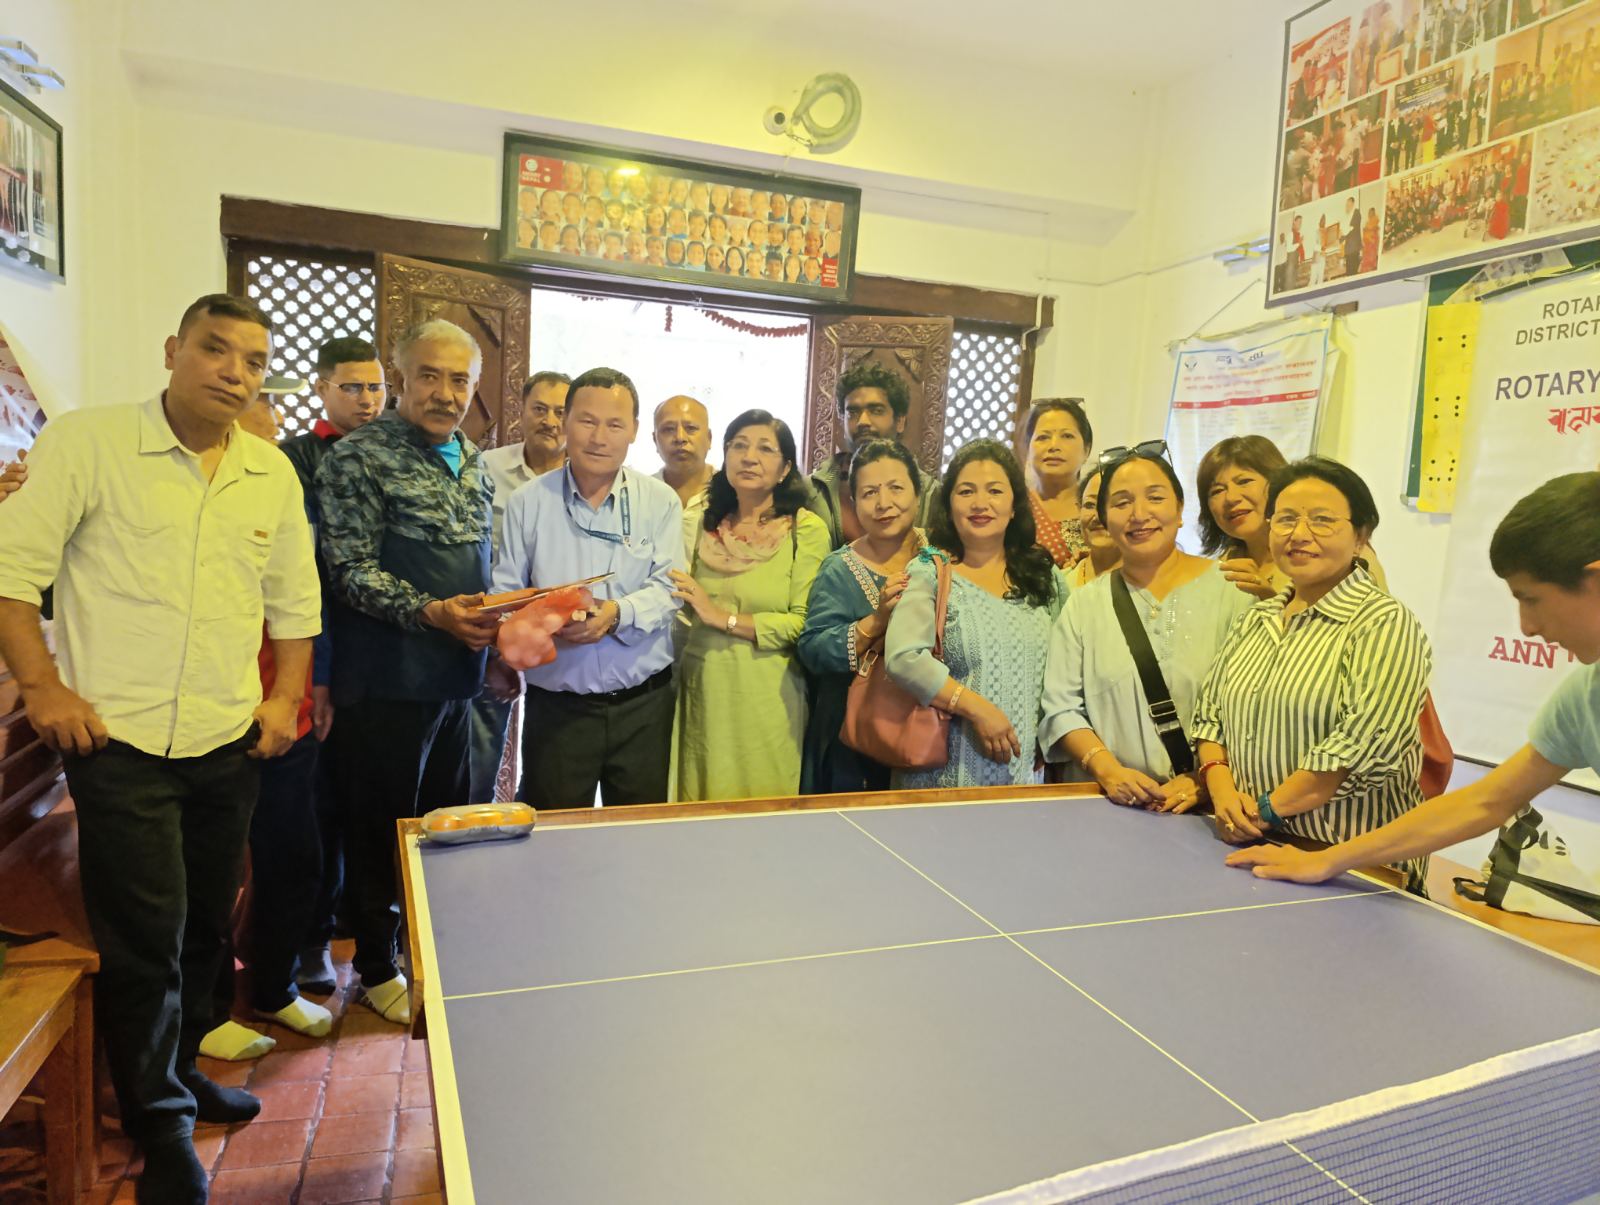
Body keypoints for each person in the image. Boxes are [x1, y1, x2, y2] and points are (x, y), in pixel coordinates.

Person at [0, 294, 320, 1202]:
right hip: (119, 742)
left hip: (228, 739)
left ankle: (176, 1074)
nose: (234, 372)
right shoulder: (90, 444)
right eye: (216, 350)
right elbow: (12, 574)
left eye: (254, 361)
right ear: (173, 350)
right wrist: (43, 688)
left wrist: (284, 698)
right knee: (145, 936)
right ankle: (161, 1123)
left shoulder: (269, 472)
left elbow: (294, 600)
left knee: (205, 923)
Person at [1230, 472, 1600, 885]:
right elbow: (1485, 801)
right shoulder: (1584, 697)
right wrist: (1327, 860)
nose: (1527, 627)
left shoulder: (1385, 622)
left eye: (1530, 599)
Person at [316, 318, 500, 1026]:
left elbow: (477, 565)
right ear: (400, 377)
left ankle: (428, 949)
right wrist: (431, 612)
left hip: (458, 680)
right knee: (379, 828)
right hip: (386, 682)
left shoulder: (474, 460)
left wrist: (498, 627)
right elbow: (349, 570)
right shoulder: (358, 458)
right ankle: (374, 966)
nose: (445, 393)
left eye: (459, 380)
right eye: (429, 375)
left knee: (441, 824)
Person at [1192, 458, 1433, 892]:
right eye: (1286, 519)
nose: (1300, 534)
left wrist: (1264, 810)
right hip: (1255, 845)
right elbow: (1210, 718)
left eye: (1322, 520)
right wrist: (1224, 794)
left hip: (1351, 867)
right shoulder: (1256, 618)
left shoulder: (1384, 622)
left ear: (1361, 536)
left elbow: (1360, 746)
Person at [493, 367, 685, 807]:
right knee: (555, 835)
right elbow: (507, 594)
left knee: (639, 833)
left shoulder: (660, 501)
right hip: (558, 708)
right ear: (565, 422)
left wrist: (616, 615)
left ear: (634, 430)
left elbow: (669, 588)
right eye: (587, 421)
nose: (599, 438)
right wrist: (530, 626)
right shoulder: (528, 502)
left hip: (644, 706)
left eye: (614, 424)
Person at [1040, 446, 1250, 807]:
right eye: (1122, 503)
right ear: (1106, 518)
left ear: (1180, 510)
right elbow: (1060, 706)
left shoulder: (1233, 592)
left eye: (1155, 497)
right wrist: (1109, 772)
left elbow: (1253, 710)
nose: (1139, 515)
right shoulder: (1084, 604)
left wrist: (1207, 779)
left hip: (1209, 810)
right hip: (1109, 805)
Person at [277, 336, 385, 994]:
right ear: (322, 388)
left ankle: (371, 937)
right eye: (353, 387)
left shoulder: (397, 455)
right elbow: (299, 578)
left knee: (367, 804)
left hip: (379, 659)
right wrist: (315, 673)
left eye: (376, 387)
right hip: (318, 650)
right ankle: (311, 940)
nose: (367, 400)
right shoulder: (293, 461)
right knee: (315, 811)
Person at [885, 440, 1069, 789]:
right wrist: (977, 708)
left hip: (1022, 777)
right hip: (941, 780)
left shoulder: (1045, 576)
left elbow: (1068, 667)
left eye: (995, 491)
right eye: (966, 491)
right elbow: (904, 657)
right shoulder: (931, 571)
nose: (980, 503)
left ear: (1014, 506)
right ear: (949, 505)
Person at [670, 411, 829, 800]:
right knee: (698, 807)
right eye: (738, 446)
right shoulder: (704, 524)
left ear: (785, 468)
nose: (749, 457)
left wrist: (718, 617)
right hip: (702, 688)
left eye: (765, 449)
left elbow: (802, 624)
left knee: (761, 811)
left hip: (768, 695)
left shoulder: (805, 529)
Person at [798, 440, 927, 794]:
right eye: (869, 493)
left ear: (918, 495)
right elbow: (812, 649)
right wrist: (875, 621)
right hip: (854, 739)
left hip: (928, 731)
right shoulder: (839, 568)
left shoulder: (941, 557)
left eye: (896, 488)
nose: (884, 503)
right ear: (854, 503)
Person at [472, 371, 572, 804]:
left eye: (561, 411)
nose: (550, 421)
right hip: (495, 632)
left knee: (555, 757)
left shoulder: (588, 478)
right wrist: (498, 645)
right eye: (540, 409)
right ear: (522, 411)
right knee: (480, 753)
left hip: (565, 639)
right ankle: (477, 821)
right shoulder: (486, 468)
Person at [808, 359, 938, 549]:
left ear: (900, 421)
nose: (863, 421)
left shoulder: (932, 494)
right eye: (853, 412)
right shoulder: (814, 490)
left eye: (876, 411)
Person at [1024, 397, 1093, 568]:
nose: (1054, 446)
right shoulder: (1013, 508)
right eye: (1043, 437)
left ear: (1086, 449)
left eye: (1067, 436)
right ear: (1028, 448)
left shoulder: (1101, 508)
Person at [653, 394, 715, 554]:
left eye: (691, 428)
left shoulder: (733, 494)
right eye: (668, 429)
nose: (680, 438)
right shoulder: (640, 496)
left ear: (709, 438)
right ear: (655, 440)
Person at [1068, 466, 1119, 589]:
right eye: (1089, 505)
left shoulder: (1153, 581)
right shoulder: (1060, 584)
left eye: (1114, 504)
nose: (1098, 516)